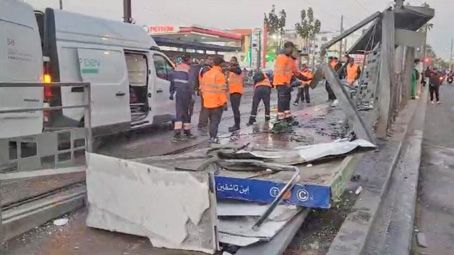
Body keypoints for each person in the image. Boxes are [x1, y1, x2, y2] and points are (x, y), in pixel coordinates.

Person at [200, 56, 228, 143]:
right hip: (217, 103)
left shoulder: (206, 74)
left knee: (211, 121)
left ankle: (211, 137)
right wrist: (224, 102)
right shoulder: (220, 75)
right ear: (221, 64)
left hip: (207, 102)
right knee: (215, 121)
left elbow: (202, 88)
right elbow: (221, 91)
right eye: (223, 64)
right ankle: (213, 138)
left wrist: (205, 98)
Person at [169, 54, 196, 142]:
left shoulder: (177, 68)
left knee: (179, 112)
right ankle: (186, 132)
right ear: (188, 60)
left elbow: (172, 81)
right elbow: (191, 83)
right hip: (186, 93)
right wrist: (192, 94)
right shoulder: (189, 69)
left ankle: (177, 133)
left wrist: (172, 92)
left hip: (178, 93)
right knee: (186, 113)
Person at [273, 41, 301, 122]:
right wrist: (286, 82)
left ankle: (287, 116)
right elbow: (280, 71)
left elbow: (296, 72)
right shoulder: (281, 57)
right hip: (281, 82)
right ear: (287, 48)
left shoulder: (290, 59)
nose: (292, 51)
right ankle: (280, 117)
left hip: (286, 83)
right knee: (282, 99)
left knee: (287, 98)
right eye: (291, 49)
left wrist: (307, 78)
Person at [196, 56, 213, 133]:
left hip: (204, 91)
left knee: (205, 108)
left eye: (212, 60)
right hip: (206, 91)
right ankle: (202, 124)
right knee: (205, 108)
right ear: (206, 60)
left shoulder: (203, 68)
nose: (211, 61)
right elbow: (209, 80)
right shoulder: (206, 69)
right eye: (209, 59)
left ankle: (203, 123)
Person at [227, 56, 243, 132]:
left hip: (237, 92)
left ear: (236, 62)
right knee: (234, 109)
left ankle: (237, 125)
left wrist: (229, 68)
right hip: (232, 91)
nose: (232, 61)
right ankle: (236, 124)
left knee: (236, 109)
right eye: (231, 60)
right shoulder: (231, 70)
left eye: (233, 60)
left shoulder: (237, 68)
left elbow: (238, 71)